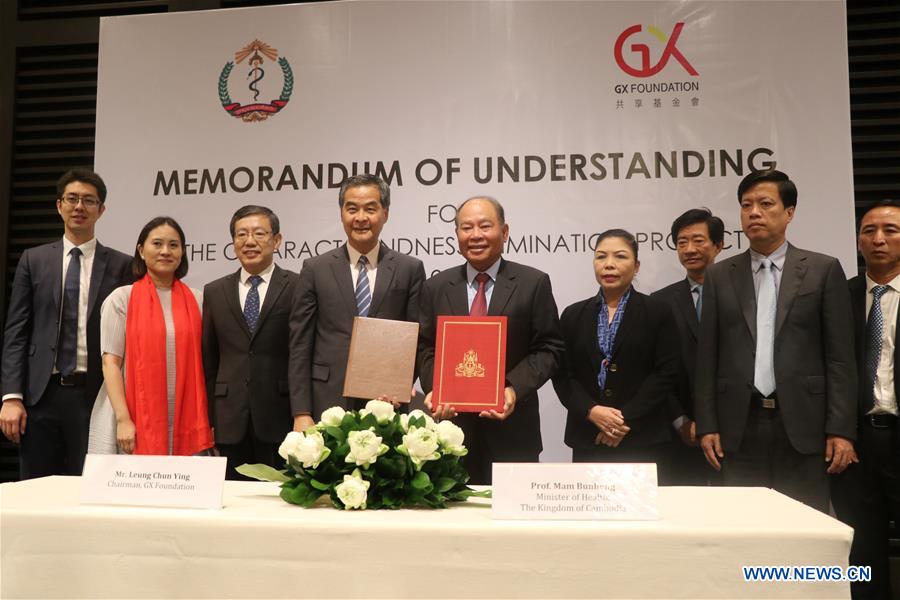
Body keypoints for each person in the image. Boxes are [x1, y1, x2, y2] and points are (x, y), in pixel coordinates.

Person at [695, 169, 857, 511]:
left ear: (789, 212)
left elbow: (840, 358)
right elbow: (707, 357)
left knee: (803, 526)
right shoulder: (719, 275)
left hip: (805, 424)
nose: (754, 212)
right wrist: (707, 425)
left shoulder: (823, 269)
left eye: (765, 204)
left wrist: (841, 429)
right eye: (746, 205)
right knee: (745, 524)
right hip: (738, 425)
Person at [418, 196, 565, 484]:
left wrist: (512, 388)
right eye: (466, 228)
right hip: (452, 433)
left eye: (485, 226)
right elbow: (425, 346)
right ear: (457, 234)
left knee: (514, 512)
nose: (475, 235)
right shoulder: (436, 287)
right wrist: (437, 387)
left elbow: (550, 348)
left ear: (504, 231)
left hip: (514, 433)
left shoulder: (533, 283)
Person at [0, 169, 132, 478]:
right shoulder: (33, 260)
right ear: (59, 205)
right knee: (36, 487)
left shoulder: (122, 265)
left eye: (89, 200)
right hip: (39, 396)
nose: (79, 207)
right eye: (72, 199)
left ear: (101, 210)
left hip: (95, 395)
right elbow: (17, 332)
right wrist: (12, 397)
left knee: (92, 485)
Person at [289, 174, 426, 428]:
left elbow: (417, 338)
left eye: (370, 209)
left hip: (387, 403)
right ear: (341, 213)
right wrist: (301, 411)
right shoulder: (315, 269)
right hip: (326, 400)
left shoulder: (409, 269)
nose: (360, 218)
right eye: (352, 209)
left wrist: (401, 383)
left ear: (385, 214)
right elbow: (300, 344)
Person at [554, 229, 679, 473]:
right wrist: (592, 411)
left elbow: (666, 372)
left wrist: (622, 420)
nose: (609, 264)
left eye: (620, 256)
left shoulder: (658, 312)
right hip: (588, 435)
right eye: (601, 256)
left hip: (641, 436)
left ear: (637, 266)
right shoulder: (573, 315)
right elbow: (562, 375)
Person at [88, 217, 212, 456]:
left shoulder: (198, 300)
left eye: (173, 245)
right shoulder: (121, 299)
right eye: (157, 243)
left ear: (182, 252)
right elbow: (110, 364)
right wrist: (123, 419)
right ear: (141, 251)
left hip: (187, 418)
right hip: (131, 416)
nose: (165, 251)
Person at [832, 199, 900, 600]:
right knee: (863, 549)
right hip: (856, 442)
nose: (878, 239)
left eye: (890, 230)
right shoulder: (840, 296)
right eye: (868, 231)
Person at [202, 206, 299, 478]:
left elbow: (301, 353)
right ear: (233, 242)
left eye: (259, 233)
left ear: (276, 240)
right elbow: (209, 360)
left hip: (279, 415)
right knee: (231, 495)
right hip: (228, 418)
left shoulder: (297, 286)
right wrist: (209, 418)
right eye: (241, 234)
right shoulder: (214, 291)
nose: (249, 241)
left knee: (278, 495)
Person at [652, 208, 724, 485]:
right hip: (678, 435)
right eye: (682, 242)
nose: (689, 249)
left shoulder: (743, 296)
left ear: (718, 245)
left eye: (698, 240)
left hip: (734, 432)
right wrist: (679, 420)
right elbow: (655, 368)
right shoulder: (659, 302)